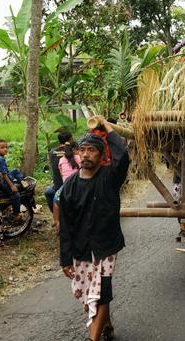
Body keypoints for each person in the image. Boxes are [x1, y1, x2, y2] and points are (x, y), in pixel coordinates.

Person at [59, 116, 129, 341]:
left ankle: (93, 338)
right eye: (83, 150)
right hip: (81, 249)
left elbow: (122, 155)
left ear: (101, 155)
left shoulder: (110, 177)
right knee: (93, 294)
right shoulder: (69, 187)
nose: (87, 154)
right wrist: (65, 259)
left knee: (100, 295)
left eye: (92, 150)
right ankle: (106, 325)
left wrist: (107, 128)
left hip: (105, 248)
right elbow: (66, 226)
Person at [53, 139, 81, 233]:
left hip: (66, 186)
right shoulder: (79, 158)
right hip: (79, 185)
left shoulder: (61, 160)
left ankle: (57, 222)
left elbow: (62, 176)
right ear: (75, 149)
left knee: (56, 200)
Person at [0, 139, 23, 223]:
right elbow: (4, 174)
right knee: (16, 194)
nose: (5, 149)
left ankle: (22, 182)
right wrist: (12, 186)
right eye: (2, 147)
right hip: (1, 181)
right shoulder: (0, 159)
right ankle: (16, 214)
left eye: (6, 147)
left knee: (15, 170)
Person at [45, 130, 73, 213]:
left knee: (48, 193)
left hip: (57, 186)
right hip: (72, 185)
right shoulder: (73, 152)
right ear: (70, 139)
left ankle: (55, 214)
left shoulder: (52, 152)